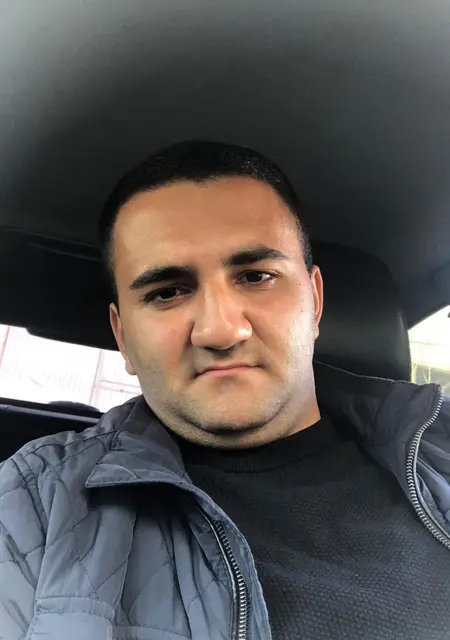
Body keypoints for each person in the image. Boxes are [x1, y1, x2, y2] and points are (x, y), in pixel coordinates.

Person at [1, 141, 450, 640]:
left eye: (257, 276)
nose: (219, 330)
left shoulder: (440, 443)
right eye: (167, 292)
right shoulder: (31, 509)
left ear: (315, 301)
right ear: (123, 337)